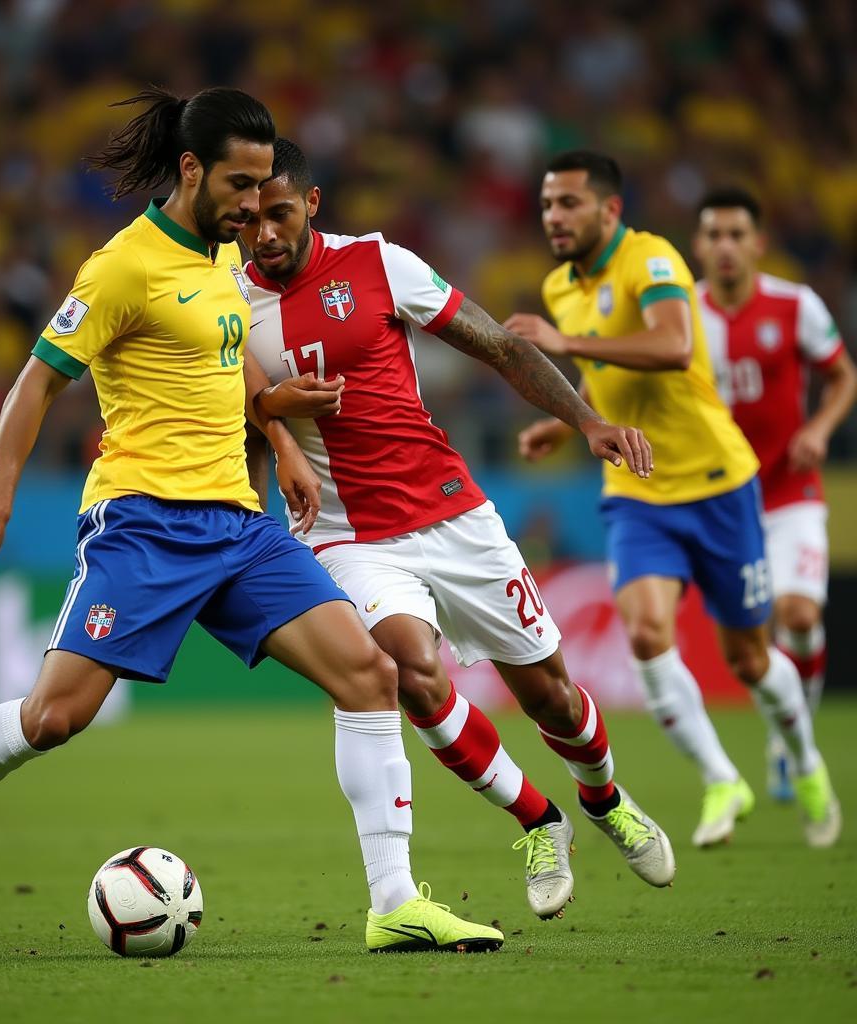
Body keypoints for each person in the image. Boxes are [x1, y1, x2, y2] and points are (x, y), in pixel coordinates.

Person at [0, 87, 505, 955]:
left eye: (265, 184)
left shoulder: (221, 269)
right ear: (191, 169)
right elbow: (37, 381)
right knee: (52, 720)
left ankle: (392, 903)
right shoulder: (122, 268)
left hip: (238, 522)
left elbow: (220, 374)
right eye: (239, 184)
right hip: (145, 525)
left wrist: (281, 433)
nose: (253, 207)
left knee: (368, 675)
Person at [239, 137, 675, 924]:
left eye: (278, 215)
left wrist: (587, 420)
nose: (264, 234)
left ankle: (605, 799)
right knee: (408, 669)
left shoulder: (379, 264)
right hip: (344, 534)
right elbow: (221, 397)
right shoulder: (226, 301)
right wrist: (269, 417)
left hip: (452, 515)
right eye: (249, 222)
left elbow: (501, 346)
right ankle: (541, 823)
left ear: (310, 204)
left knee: (552, 699)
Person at [513, 150, 841, 848]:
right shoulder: (559, 286)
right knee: (645, 633)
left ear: (609, 210)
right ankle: (722, 777)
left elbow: (669, 343)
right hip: (638, 488)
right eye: (546, 205)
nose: (554, 217)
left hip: (719, 483)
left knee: (750, 658)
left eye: (568, 203)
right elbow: (604, 371)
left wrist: (564, 341)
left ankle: (806, 761)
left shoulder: (652, 259)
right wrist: (567, 419)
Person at [693, 186, 857, 800]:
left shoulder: (796, 306)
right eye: (714, 235)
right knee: (751, 643)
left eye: (737, 234)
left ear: (758, 244)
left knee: (799, 615)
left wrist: (817, 429)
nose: (726, 247)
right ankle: (785, 731)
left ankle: (796, 744)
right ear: (699, 245)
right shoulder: (682, 314)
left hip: (791, 492)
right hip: (721, 501)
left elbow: (843, 376)